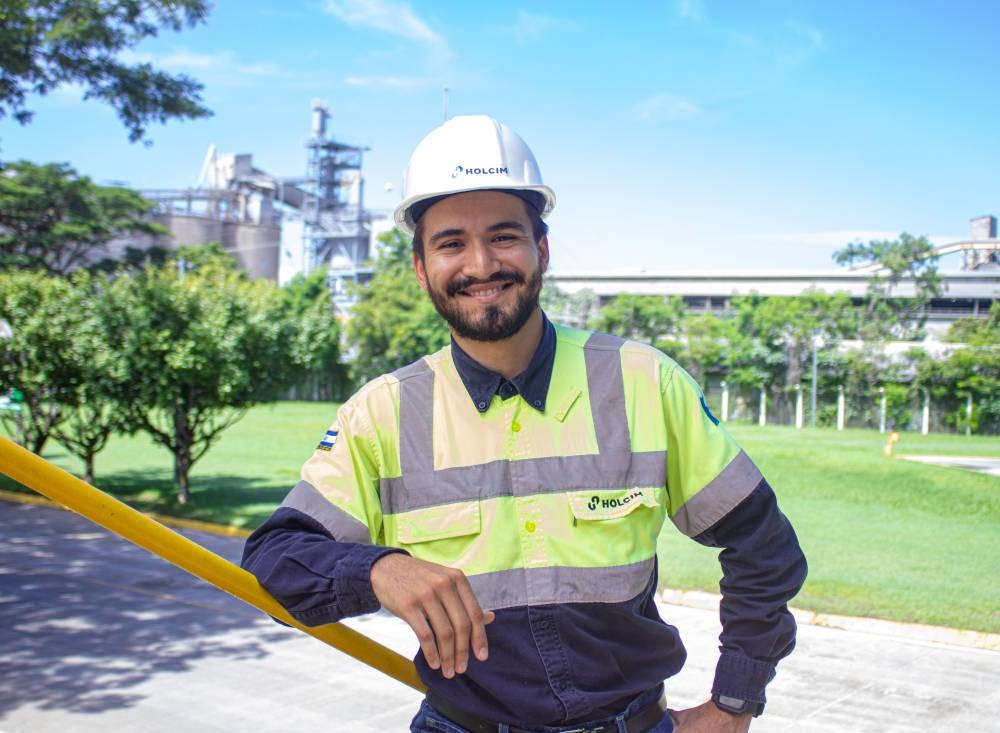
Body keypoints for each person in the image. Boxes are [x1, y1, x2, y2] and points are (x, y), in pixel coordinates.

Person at [241, 115, 807, 733]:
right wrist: (378, 571)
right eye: (451, 242)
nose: (481, 264)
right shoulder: (382, 413)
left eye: (504, 237)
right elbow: (273, 559)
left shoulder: (643, 381)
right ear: (421, 267)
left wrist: (735, 702)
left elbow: (763, 548)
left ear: (541, 249)